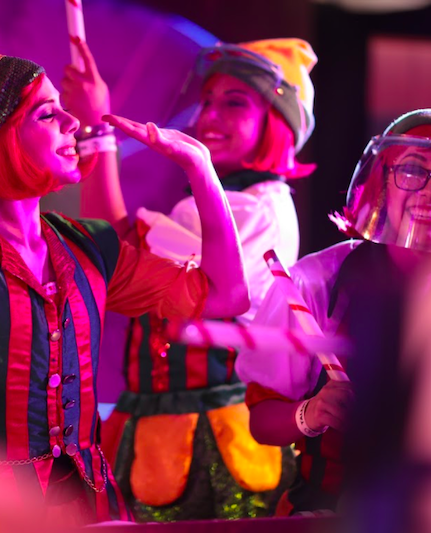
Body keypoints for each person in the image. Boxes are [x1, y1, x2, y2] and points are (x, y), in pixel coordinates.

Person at [0, 51, 248, 525]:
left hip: (89, 511)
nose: (72, 122)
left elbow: (226, 296)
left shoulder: (89, 245)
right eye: (48, 114)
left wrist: (201, 169)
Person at [62, 38, 316, 519]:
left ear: (277, 121)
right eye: (208, 100)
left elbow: (117, 249)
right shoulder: (227, 203)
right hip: (158, 421)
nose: (210, 115)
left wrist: (96, 126)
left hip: (218, 431)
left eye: (234, 103)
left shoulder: (259, 209)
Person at [236, 91, 431, 516]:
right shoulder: (315, 282)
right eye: (412, 170)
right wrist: (311, 413)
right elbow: (261, 422)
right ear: (382, 182)